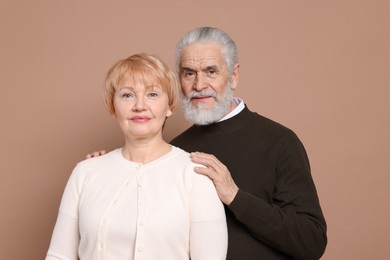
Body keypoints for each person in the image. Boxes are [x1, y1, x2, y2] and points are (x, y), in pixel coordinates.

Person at [89, 27, 327, 259]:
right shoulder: (175, 149)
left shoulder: (280, 142)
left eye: (211, 71)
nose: (199, 85)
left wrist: (235, 196)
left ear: (234, 75)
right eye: (189, 73)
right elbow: (142, 230)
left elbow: (311, 242)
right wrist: (107, 174)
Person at [46, 53, 228, 260]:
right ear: (112, 106)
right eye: (127, 95)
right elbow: (59, 256)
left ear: (170, 106)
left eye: (152, 94)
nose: (139, 105)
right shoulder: (85, 172)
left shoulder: (195, 175)